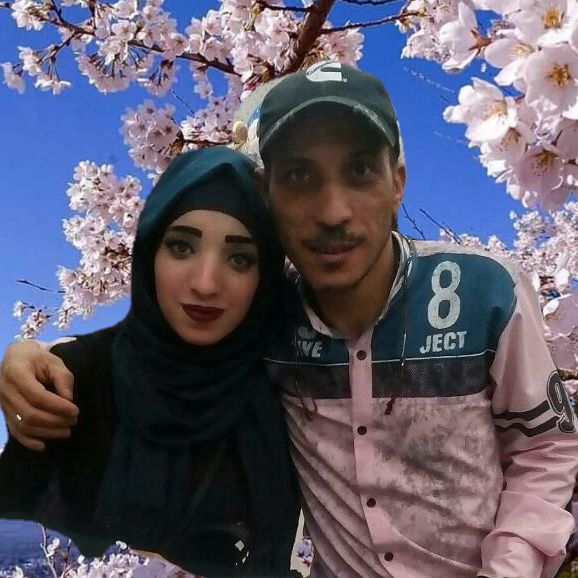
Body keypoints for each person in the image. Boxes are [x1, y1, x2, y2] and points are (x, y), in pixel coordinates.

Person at [2, 60, 578, 578]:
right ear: (268, 195)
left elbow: (546, 448)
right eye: (300, 176)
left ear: (397, 181)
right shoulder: (266, 316)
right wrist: (39, 354)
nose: (332, 212)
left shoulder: (482, 292)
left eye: (360, 171)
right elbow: (159, 348)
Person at [0, 146, 300, 578]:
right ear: (149, 254)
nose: (206, 283)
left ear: (264, 276)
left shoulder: (291, 380)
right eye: (181, 247)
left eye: (240, 258)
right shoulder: (77, 378)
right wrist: (22, 353)